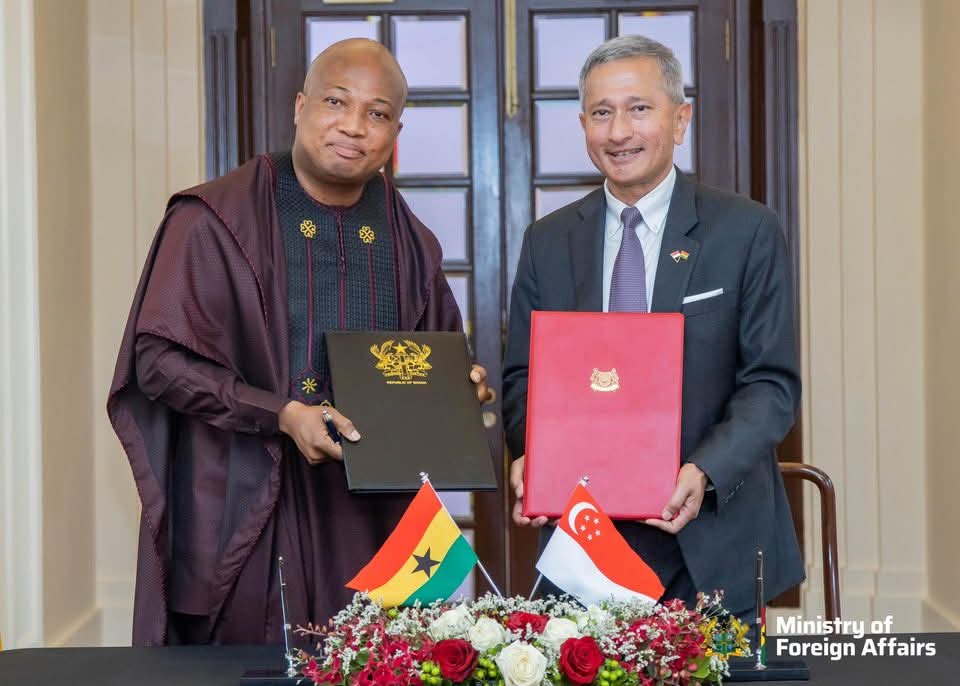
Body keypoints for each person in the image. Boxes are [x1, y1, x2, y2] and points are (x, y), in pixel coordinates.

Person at [108, 38, 492, 646]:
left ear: (395, 132)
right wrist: (280, 413)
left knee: (372, 663)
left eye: (377, 113)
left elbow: (437, 359)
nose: (354, 126)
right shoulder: (213, 221)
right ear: (299, 106)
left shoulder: (411, 242)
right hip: (246, 504)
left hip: (368, 517)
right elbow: (156, 363)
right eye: (336, 102)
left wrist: (459, 387)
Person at [502, 35, 803, 617]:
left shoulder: (746, 231)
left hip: (714, 542)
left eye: (639, 108)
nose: (619, 132)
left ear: (680, 119)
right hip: (584, 547)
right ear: (584, 126)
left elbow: (771, 384)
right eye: (601, 113)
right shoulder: (548, 241)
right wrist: (533, 456)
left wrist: (705, 470)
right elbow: (523, 377)